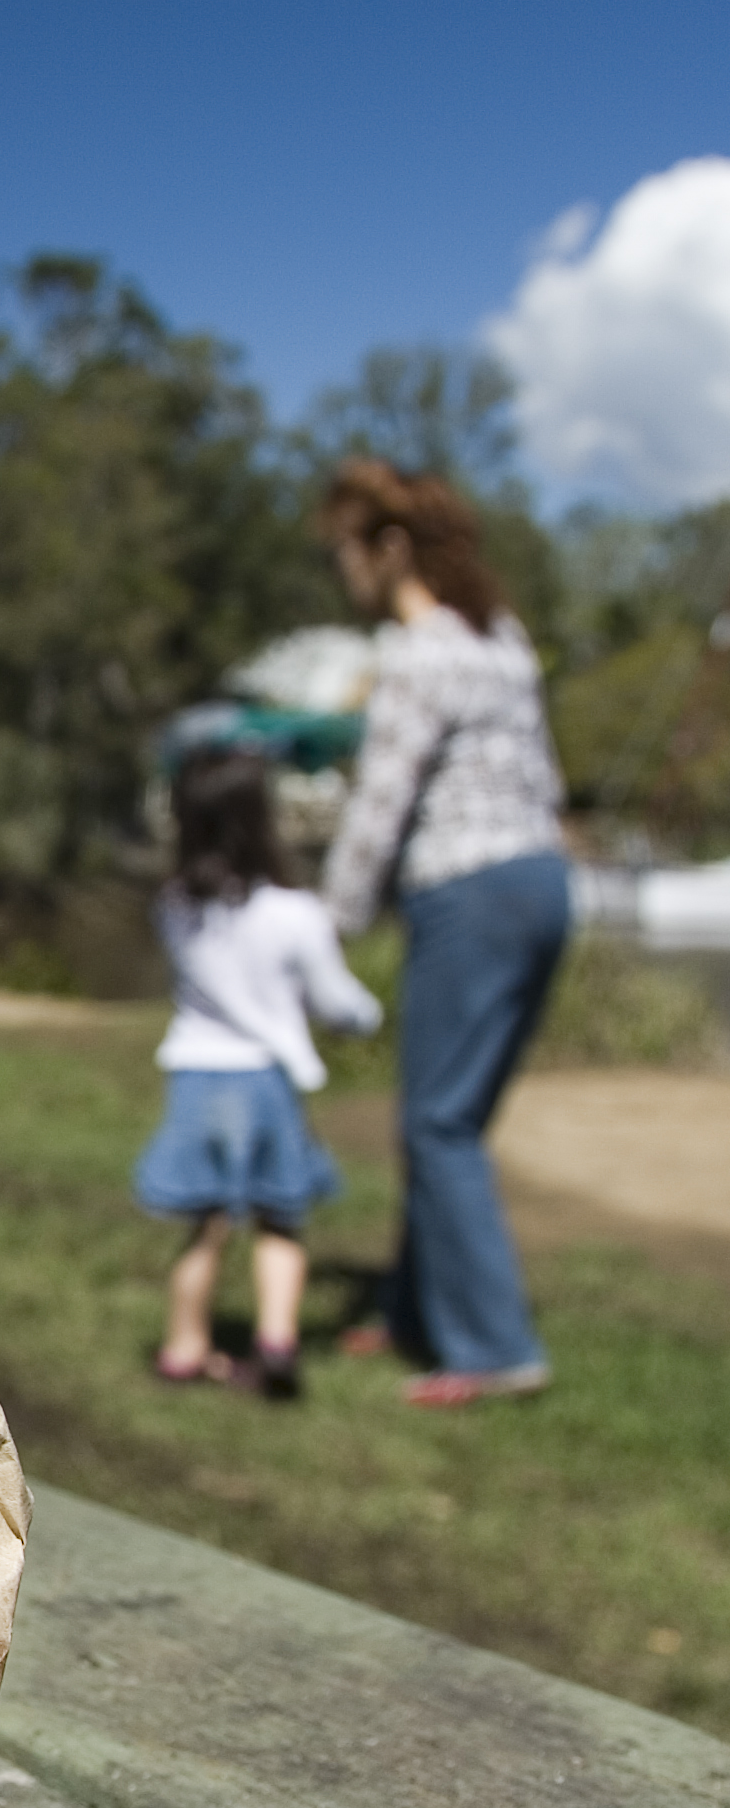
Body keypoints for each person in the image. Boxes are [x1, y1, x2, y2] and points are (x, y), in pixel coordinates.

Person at [319, 458, 571, 1406]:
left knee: (437, 1120)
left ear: (388, 548)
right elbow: (542, 780)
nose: (343, 572)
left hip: (468, 893)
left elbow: (382, 805)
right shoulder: (501, 637)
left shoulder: (419, 653)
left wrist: (329, 929)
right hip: (543, 881)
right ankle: (418, 1308)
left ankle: (495, 1347)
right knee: (451, 1115)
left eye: (346, 550)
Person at [135, 746, 383, 1398]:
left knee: (206, 1222)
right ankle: (277, 1342)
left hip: (195, 1075)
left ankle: (185, 1346)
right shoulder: (294, 913)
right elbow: (337, 1001)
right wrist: (366, 1016)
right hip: (263, 1081)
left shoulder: (174, 907)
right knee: (280, 1216)